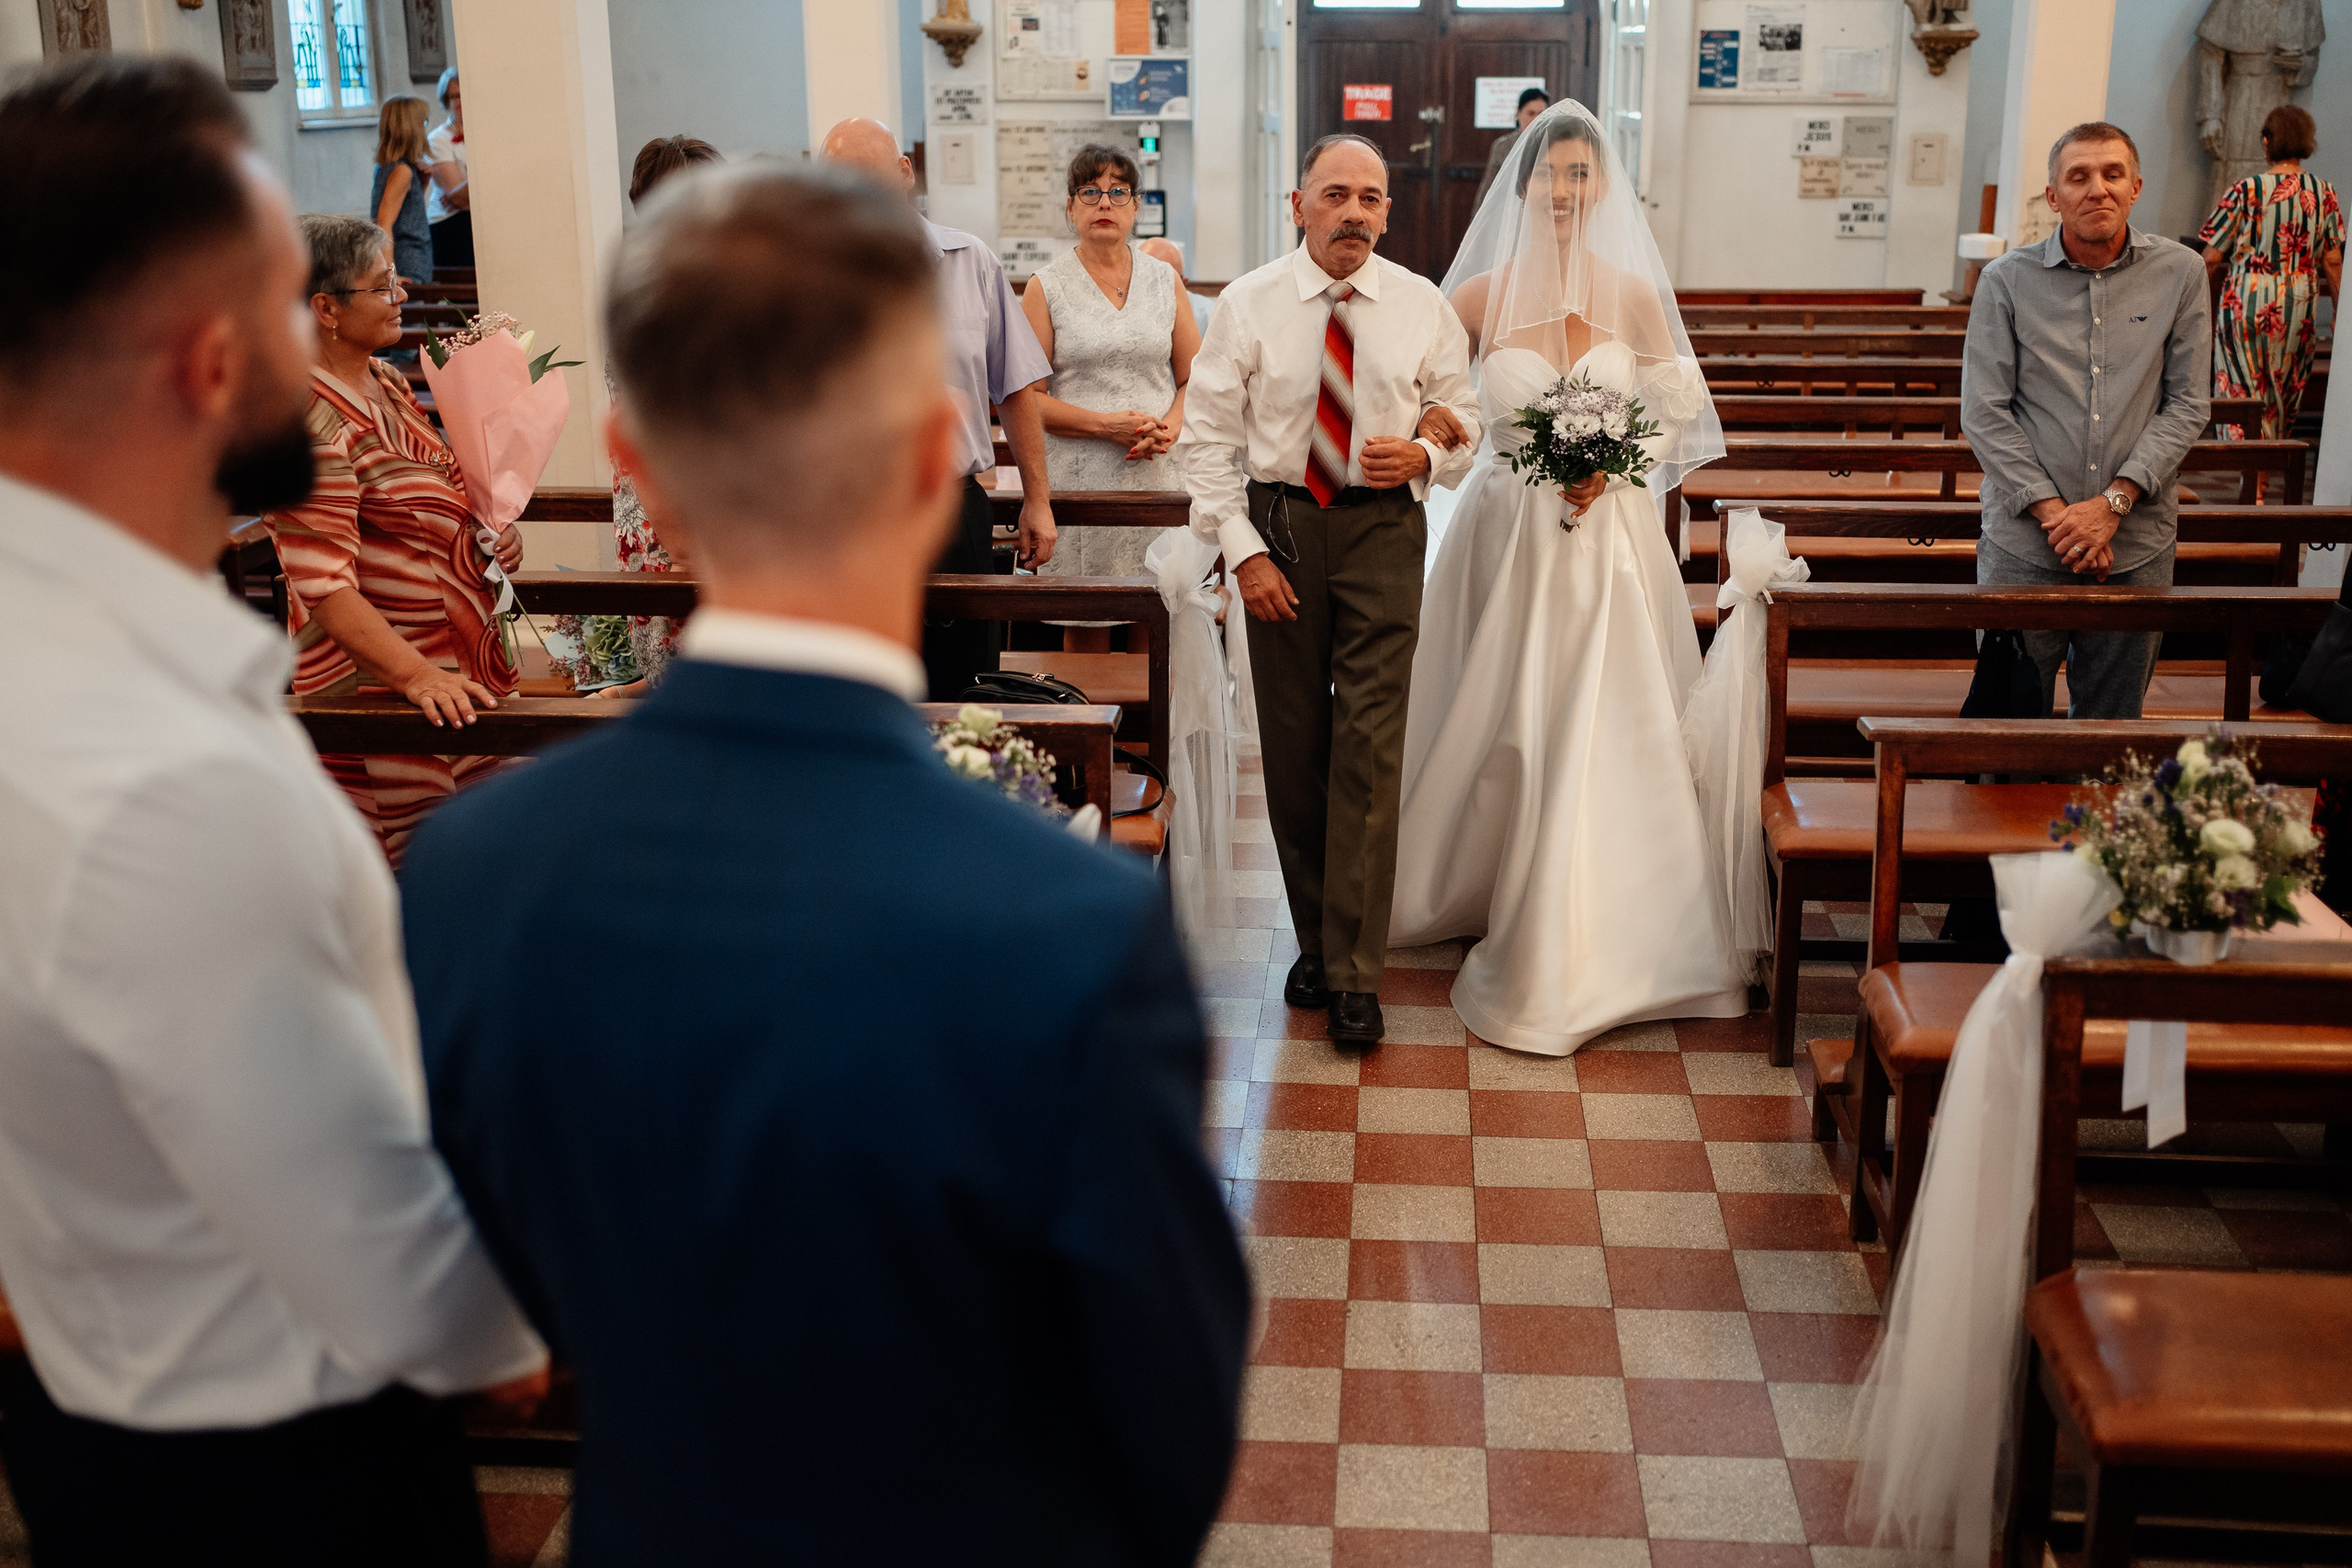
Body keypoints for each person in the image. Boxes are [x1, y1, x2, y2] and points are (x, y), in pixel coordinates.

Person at [401, 164, 1249, 1564]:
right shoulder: (1071, 919)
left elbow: (477, 1277)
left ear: (633, 464)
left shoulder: (476, 866)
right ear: (931, 457)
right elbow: (1165, 1414)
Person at [0, 57, 544, 1564]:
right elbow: (357, 1220)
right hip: (273, 1460)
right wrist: (508, 1334)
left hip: (90, 1387)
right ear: (207, 359)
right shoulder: (166, 774)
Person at [1386, 102, 1747, 1056]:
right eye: (1549, 173)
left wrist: (1618, 463)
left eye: (1580, 173)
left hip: (1609, 537)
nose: (1563, 189)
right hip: (1507, 528)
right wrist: (1451, 441)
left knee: (1600, 712)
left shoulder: (1631, 294)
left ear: (1602, 186)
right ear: (1522, 185)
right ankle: (1477, 875)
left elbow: (1677, 402)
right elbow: (1436, 408)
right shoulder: (1476, 297)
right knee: (1502, 707)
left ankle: (1594, 913)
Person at [1183, 132, 1480, 1047]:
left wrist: (1424, 452)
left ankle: (1354, 972)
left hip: (1382, 530)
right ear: (1298, 204)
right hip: (1279, 528)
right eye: (1336, 194)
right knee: (1294, 743)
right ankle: (1312, 940)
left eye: (1370, 198)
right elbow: (1206, 441)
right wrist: (1244, 554)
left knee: (1369, 748)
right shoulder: (1248, 303)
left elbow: (1464, 415)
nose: (1354, 212)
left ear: (1387, 212)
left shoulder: (1421, 303)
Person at [261, 214, 526, 865]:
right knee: (414, 865)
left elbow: (441, 484)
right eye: (381, 286)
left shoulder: (385, 380)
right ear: (325, 308)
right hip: (384, 685)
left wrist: (489, 535)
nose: (400, 295)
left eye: (396, 280)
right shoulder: (305, 423)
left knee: (477, 855)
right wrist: (416, 675)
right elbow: (324, 585)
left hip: (453, 664)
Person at [1962, 122, 2211, 719]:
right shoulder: (2006, 280)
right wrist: (2063, 519)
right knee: (2006, 725)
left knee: (2112, 731)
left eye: (2112, 174)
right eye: (2079, 176)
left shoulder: (2181, 272)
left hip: (2135, 545)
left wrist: (2112, 506)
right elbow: (1984, 411)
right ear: (2054, 196)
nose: (2098, 188)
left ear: (2135, 187)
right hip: (2025, 548)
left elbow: (2188, 403)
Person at [820, 116, 1057, 701]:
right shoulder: (808, 276)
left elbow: (1015, 388)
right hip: (849, 512)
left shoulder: (969, 260)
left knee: (964, 690)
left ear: (905, 173)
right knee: (863, 688)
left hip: (953, 507)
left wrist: (1038, 498)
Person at [565, 133, 723, 699]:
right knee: (694, 682)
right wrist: (685, 549)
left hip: (729, 519)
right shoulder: (649, 298)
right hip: (673, 520)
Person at [1021, 143, 1199, 644]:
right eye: (1090, 192)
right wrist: (1106, 426)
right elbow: (1027, 398)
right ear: (1070, 207)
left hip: (1156, 475)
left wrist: (1169, 428)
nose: (1105, 203)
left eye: (1119, 192)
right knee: (1088, 625)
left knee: (1155, 625)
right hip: (1081, 482)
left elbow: (1196, 377)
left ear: (1136, 206)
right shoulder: (1046, 286)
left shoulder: (1165, 280)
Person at [2199, 104, 2343, 444]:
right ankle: (2267, 465)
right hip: (2297, 303)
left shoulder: (2245, 189)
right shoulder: (2323, 193)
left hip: (2245, 299)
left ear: (2267, 141)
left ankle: (2247, 463)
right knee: (2282, 389)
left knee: (2240, 386)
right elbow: (2333, 261)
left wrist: (2190, 308)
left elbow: (2211, 258)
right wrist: (2339, 313)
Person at [371, 94, 435, 286]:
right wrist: (391, 274)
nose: (425, 128)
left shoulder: (391, 167)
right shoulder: (402, 171)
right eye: (423, 122)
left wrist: (422, 184)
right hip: (407, 262)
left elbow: (407, 214)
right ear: (411, 129)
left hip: (409, 259)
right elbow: (383, 224)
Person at [1474, 85, 1553, 209]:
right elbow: (1489, 187)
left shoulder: (1553, 144)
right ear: (1518, 113)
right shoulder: (1502, 146)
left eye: (1541, 114)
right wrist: (1478, 216)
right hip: (1509, 208)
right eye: (1531, 113)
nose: (1536, 119)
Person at [424, 67, 469, 269]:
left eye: (465, 94)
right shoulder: (438, 139)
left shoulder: (487, 134)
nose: (461, 101)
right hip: (449, 222)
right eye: (455, 96)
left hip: (476, 218)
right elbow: (456, 198)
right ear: (446, 100)